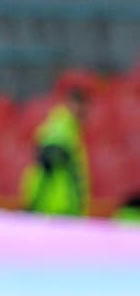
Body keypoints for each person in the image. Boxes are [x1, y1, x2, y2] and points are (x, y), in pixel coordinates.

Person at [20, 86, 91, 216]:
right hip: (56, 207)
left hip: (61, 206)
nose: (83, 110)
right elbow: (48, 160)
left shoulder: (70, 129)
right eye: (80, 105)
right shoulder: (62, 126)